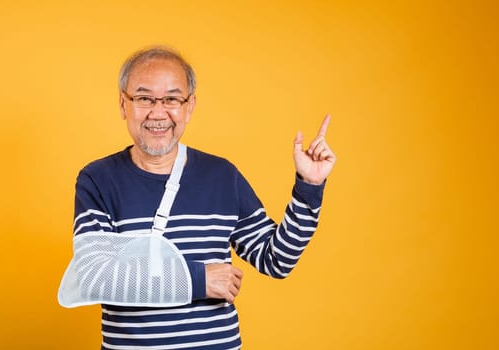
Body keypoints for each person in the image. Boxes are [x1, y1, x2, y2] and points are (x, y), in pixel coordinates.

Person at [59, 46, 336, 349]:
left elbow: (276, 260)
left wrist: (309, 186)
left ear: (189, 106)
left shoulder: (222, 176)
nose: (158, 112)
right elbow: (93, 277)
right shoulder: (97, 180)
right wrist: (197, 280)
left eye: (172, 99)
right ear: (123, 104)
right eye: (143, 98)